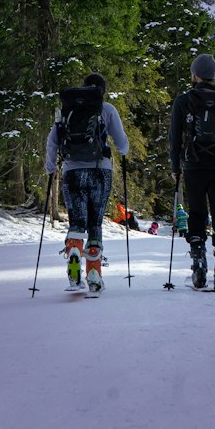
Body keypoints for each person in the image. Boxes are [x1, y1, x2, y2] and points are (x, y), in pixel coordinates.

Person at [45, 73, 129, 293]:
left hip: (72, 170)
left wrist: (50, 168)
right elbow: (122, 143)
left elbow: (52, 141)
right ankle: (94, 274)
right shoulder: (107, 109)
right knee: (95, 223)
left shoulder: (67, 109)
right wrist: (122, 151)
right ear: (102, 90)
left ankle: (74, 253)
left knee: (77, 220)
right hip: (101, 171)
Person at [169, 53, 215, 293]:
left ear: (195, 74)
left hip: (193, 166)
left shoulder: (184, 101)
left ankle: (198, 263)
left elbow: (175, 137)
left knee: (197, 213)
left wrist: (175, 166)